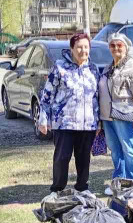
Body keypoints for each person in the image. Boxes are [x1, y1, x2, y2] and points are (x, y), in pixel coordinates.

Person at [37, 33, 101, 193]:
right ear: (72, 48)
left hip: (87, 124)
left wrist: (98, 121)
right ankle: (57, 189)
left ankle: (82, 187)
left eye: (86, 47)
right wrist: (43, 119)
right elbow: (47, 95)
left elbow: (97, 97)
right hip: (64, 123)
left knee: (84, 159)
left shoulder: (93, 69)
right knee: (62, 158)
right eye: (79, 47)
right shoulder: (59, 67)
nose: (83, 50)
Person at [98, 32, 133, 194]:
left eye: (119, 45)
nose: (115, 48)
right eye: (112, 45)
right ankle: (119, 181)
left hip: (124, 115)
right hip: (107, 117)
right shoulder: (108, 67)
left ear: (126, 47)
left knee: (129, 149)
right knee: (115, 150)